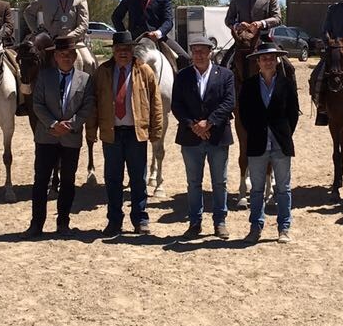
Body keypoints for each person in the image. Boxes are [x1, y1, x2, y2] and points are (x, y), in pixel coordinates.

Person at [91, 30, 165, 237]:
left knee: (138, 179)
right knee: (113, 179)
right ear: (113, 51)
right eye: (119, 49)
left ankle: (140, 219)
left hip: (136, 133)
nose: (123, 53)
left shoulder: (145, 71)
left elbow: (156, 103)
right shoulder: (103, 71)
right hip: (112, 133)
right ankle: (114, 221)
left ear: (133, 50)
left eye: (126, 49)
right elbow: (94, 102)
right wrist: (91, 130)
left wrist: (156, 130)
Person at [28, 38, 95, 237]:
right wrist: (53, 124)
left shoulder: (85, 79)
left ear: (75, 56)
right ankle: (36, 224)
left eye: (69, 55)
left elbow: (87, 106)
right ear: (55, 56)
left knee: (68, 181)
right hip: (46, 136)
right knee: (40, 181)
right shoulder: (43, 76)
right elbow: (37, 104)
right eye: (61, 55)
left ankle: (63, 222)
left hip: (70, 138)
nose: (66, 58)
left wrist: (70, 125)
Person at [171, 34, 236, 238]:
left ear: (210, 53)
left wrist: (208, 122)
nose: (198, 55)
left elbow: (229, 102)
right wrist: (192, 125)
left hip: (217, 135)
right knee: (193, 183)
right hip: (191, 137)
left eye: (202, 51)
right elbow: (176, 105)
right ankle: (195, 222)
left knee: (220, 182)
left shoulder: (225, 75)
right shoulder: (182, 76)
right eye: (195, 51)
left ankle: (220, 222)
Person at [237, 42, 299, 243]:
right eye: (264, 58)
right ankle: (256, 226)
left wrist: (284, 133)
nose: (268, 61)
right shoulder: (248, 85)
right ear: (258, 62)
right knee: (256, 189)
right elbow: (244, 116)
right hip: (257, 144)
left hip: (280, 144)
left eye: (271, 58)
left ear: (276, 60)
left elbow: (293, 114)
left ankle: (284, 227)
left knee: (283, 188)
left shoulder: (287, 83)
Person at [112, 0, 189, 68]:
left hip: (157, 39)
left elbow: (168, 21)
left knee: (185, 58)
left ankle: (181, 83)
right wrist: (125, 36)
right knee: (112, 64)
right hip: (135, 39)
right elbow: (116, 16)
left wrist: (158, 33)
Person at [22, 0, 90, 53]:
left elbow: (83, 25)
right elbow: (28, 13)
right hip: (48, 42)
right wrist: (37, 32)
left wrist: (69, 38)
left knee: (88, 61)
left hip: (73, 43)